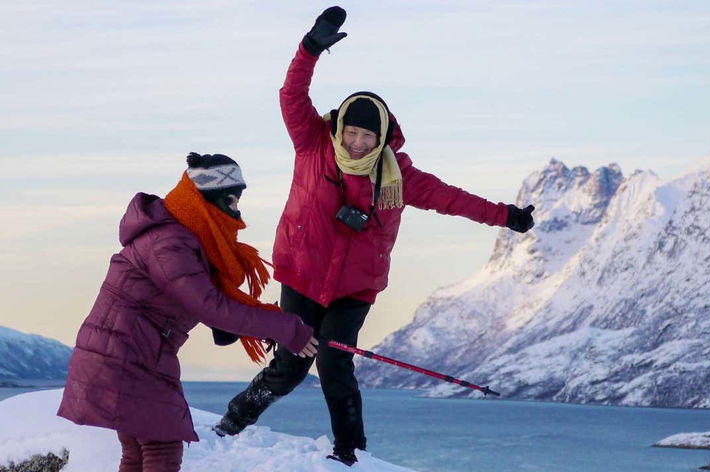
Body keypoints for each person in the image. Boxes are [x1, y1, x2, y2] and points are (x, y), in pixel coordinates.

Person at [211, 6, 535, 467]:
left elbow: (452, 199)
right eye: (352, 132)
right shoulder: (313, 144)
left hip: (354, 288)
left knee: (334, 363)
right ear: (340, 127)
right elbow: (291, 94)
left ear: (381, 137)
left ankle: (349, 452)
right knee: (291, 366)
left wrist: (506, 216)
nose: (358, 143)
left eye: (368, 136)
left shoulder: (398, 174)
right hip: (303, 276)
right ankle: (232, 422)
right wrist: (310, 48)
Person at [57, 152, 318, 472]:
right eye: (231, 200)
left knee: (138, 453)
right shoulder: (170, 242)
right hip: (128, 357)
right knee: (163, 449)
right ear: (208, 200)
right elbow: (210, 306)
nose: (237, 212)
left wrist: (262, 322)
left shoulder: (179, 235)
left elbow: (204, 300)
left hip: (127, 354)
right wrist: (285, 327)